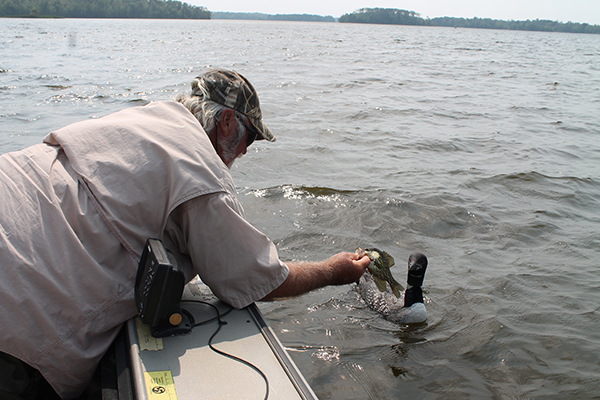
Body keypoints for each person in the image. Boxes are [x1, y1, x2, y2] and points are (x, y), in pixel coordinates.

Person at [0, 68, 370, 399]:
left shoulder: (141, 117)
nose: (244, 150)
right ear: (226, 121)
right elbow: (255, 279)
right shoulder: (200, 170)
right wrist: (333, 271)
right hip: (19, 311)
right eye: (250, 138)